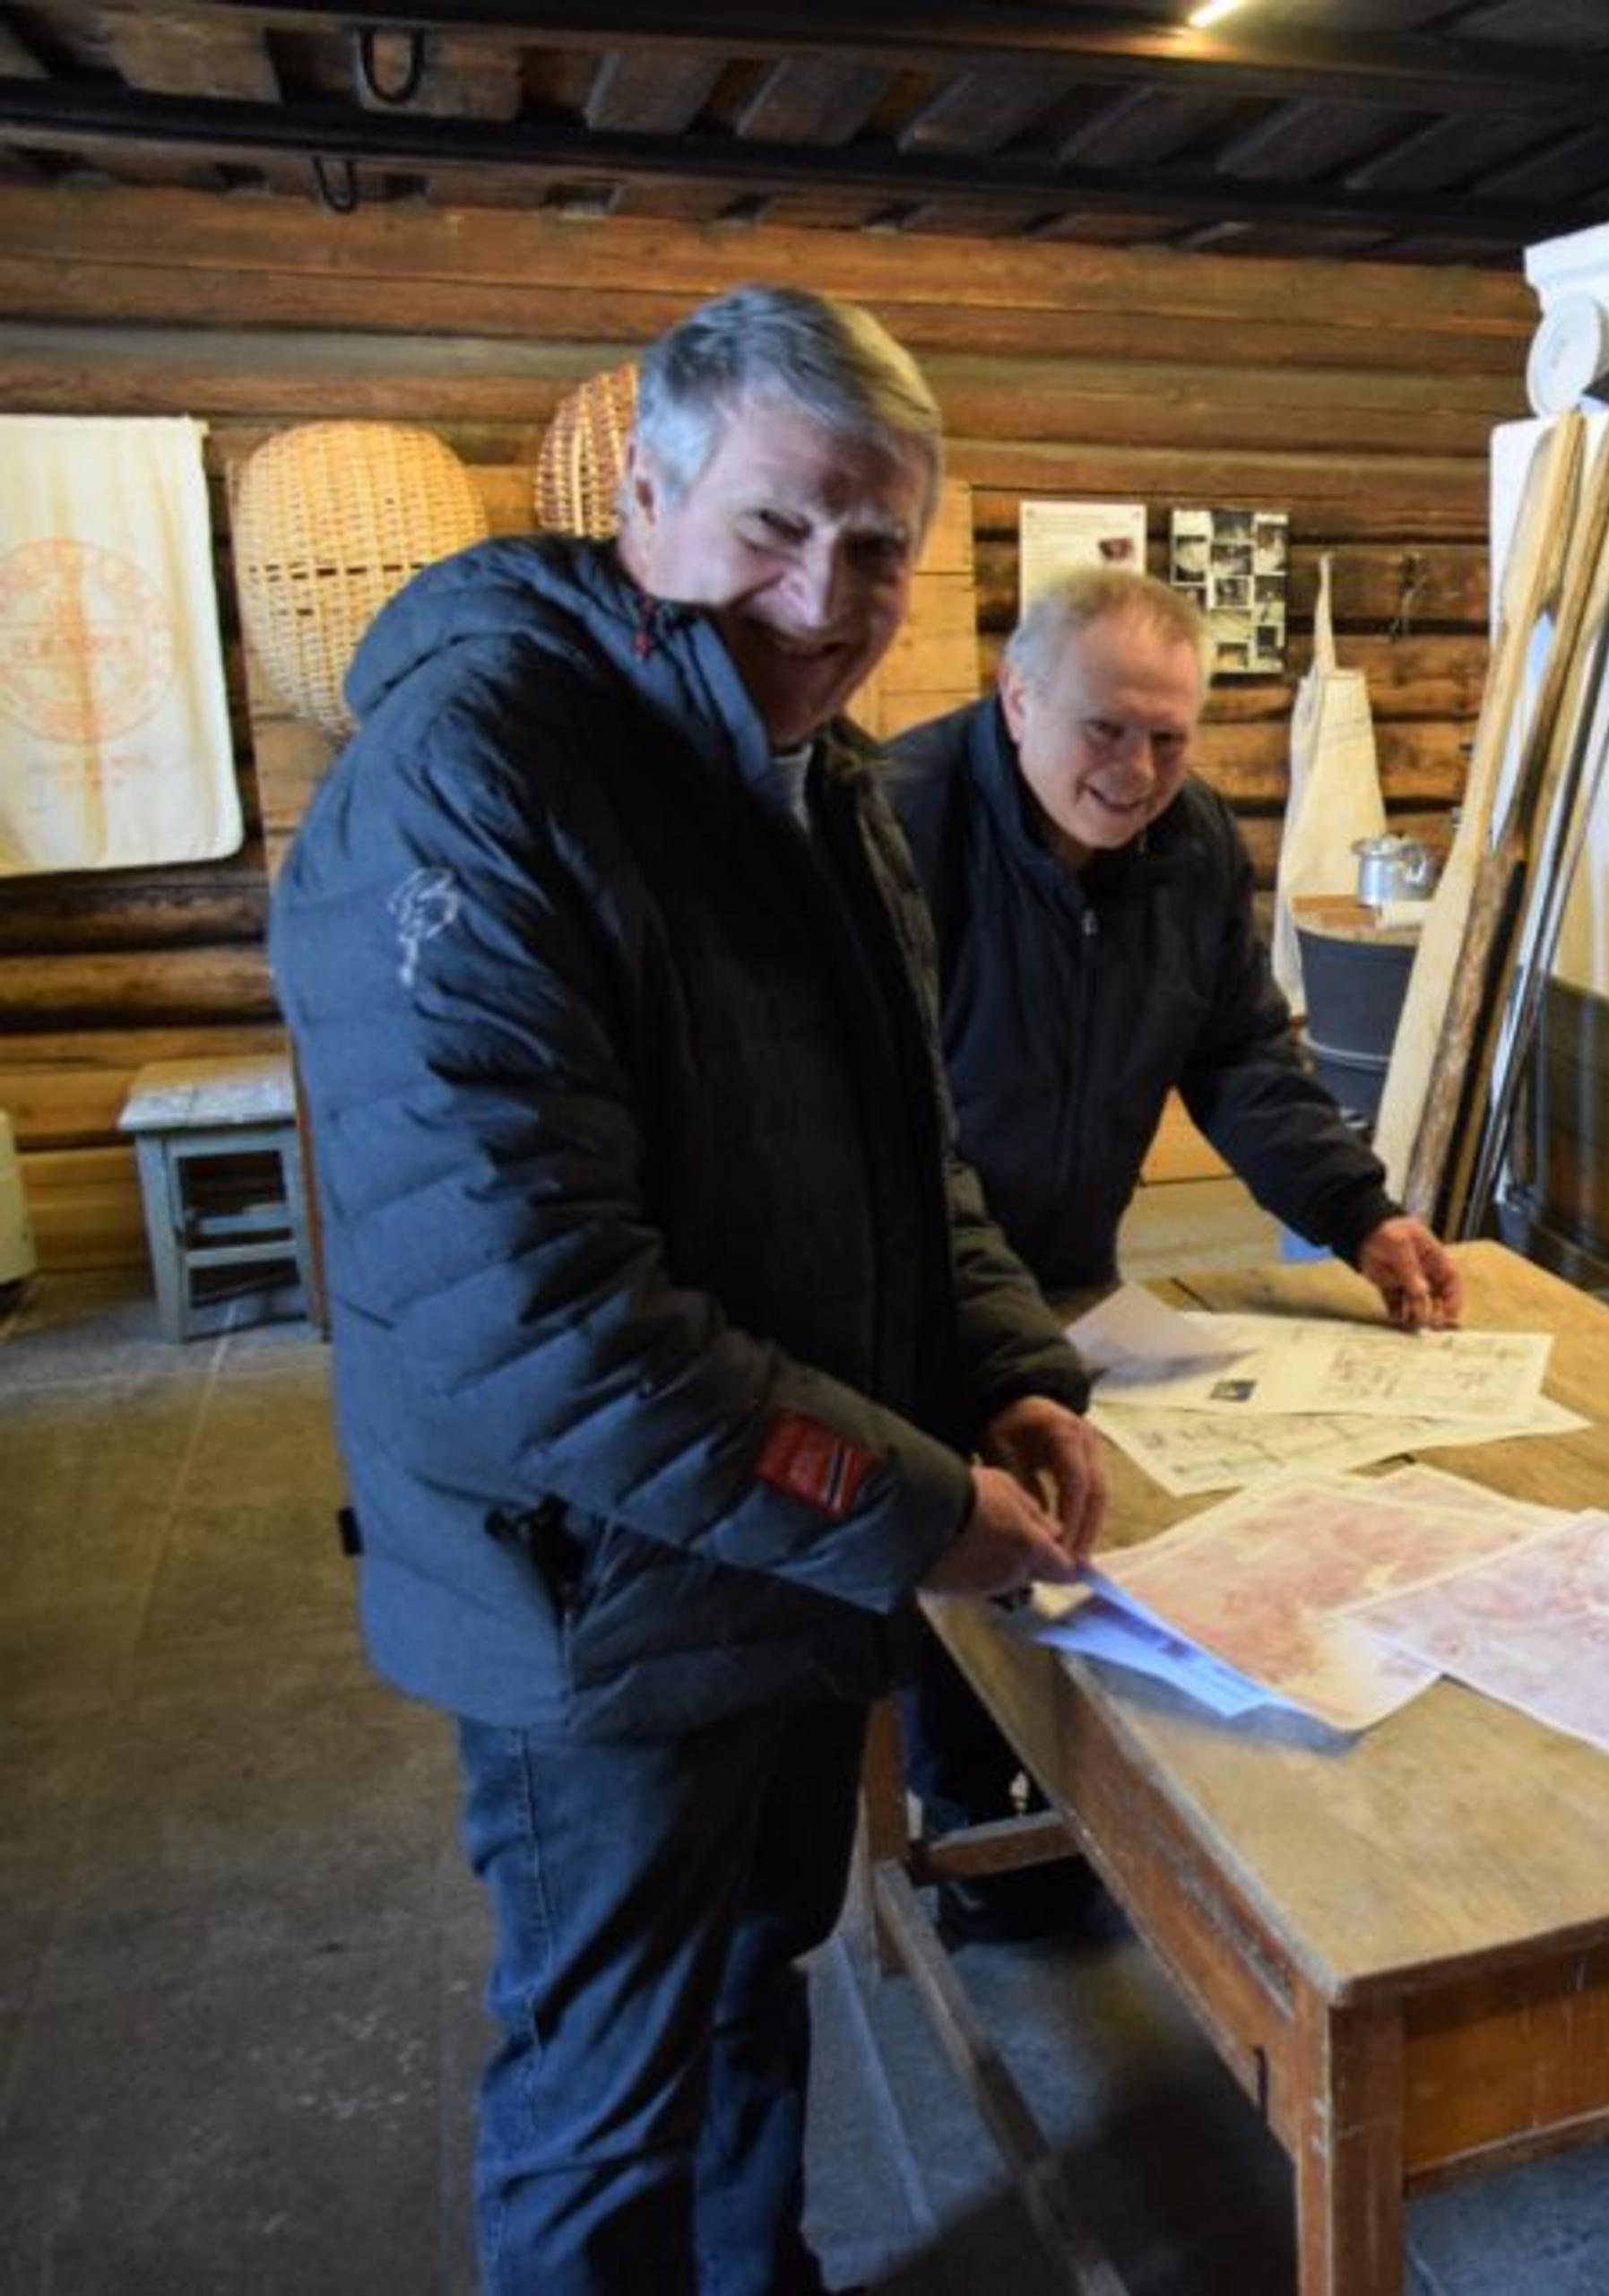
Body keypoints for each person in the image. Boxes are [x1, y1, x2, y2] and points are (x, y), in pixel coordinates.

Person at [269, 283, 1107, 2294]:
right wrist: (907, 1504)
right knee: (605, 2091)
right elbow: (537, 1318)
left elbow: (908, 1159)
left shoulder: (820, 785)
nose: (826, 598)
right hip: (597, 1596)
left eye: (878, 547)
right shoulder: (474, 780)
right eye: (774, 526)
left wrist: (999, 1365)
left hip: (775, 1566)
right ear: (642, 499)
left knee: (752, 1989)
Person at [875, 568, 1460, 1928]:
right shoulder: (902, 825)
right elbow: (881, 1119)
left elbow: (1239, 1053)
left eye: (1169, 738)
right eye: (1105, 730)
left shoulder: (1189, 845)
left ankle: (1089, 1789)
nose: (1136, 772)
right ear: (1017, 698)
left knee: (1097, 1524)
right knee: (961, 1535)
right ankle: (973, 1824)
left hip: (1072, 1260)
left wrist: (1358, 1212)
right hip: (911, 1270)